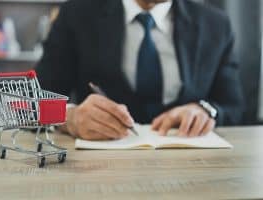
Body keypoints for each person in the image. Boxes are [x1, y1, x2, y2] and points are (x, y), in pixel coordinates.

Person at [36, 0, 244, 140]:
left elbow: (232, 106)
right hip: (101, 168)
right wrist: (69, 118)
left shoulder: (215, 23)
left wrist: (204, 110)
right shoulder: (77, 13)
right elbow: (30, 101)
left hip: (192, 165)